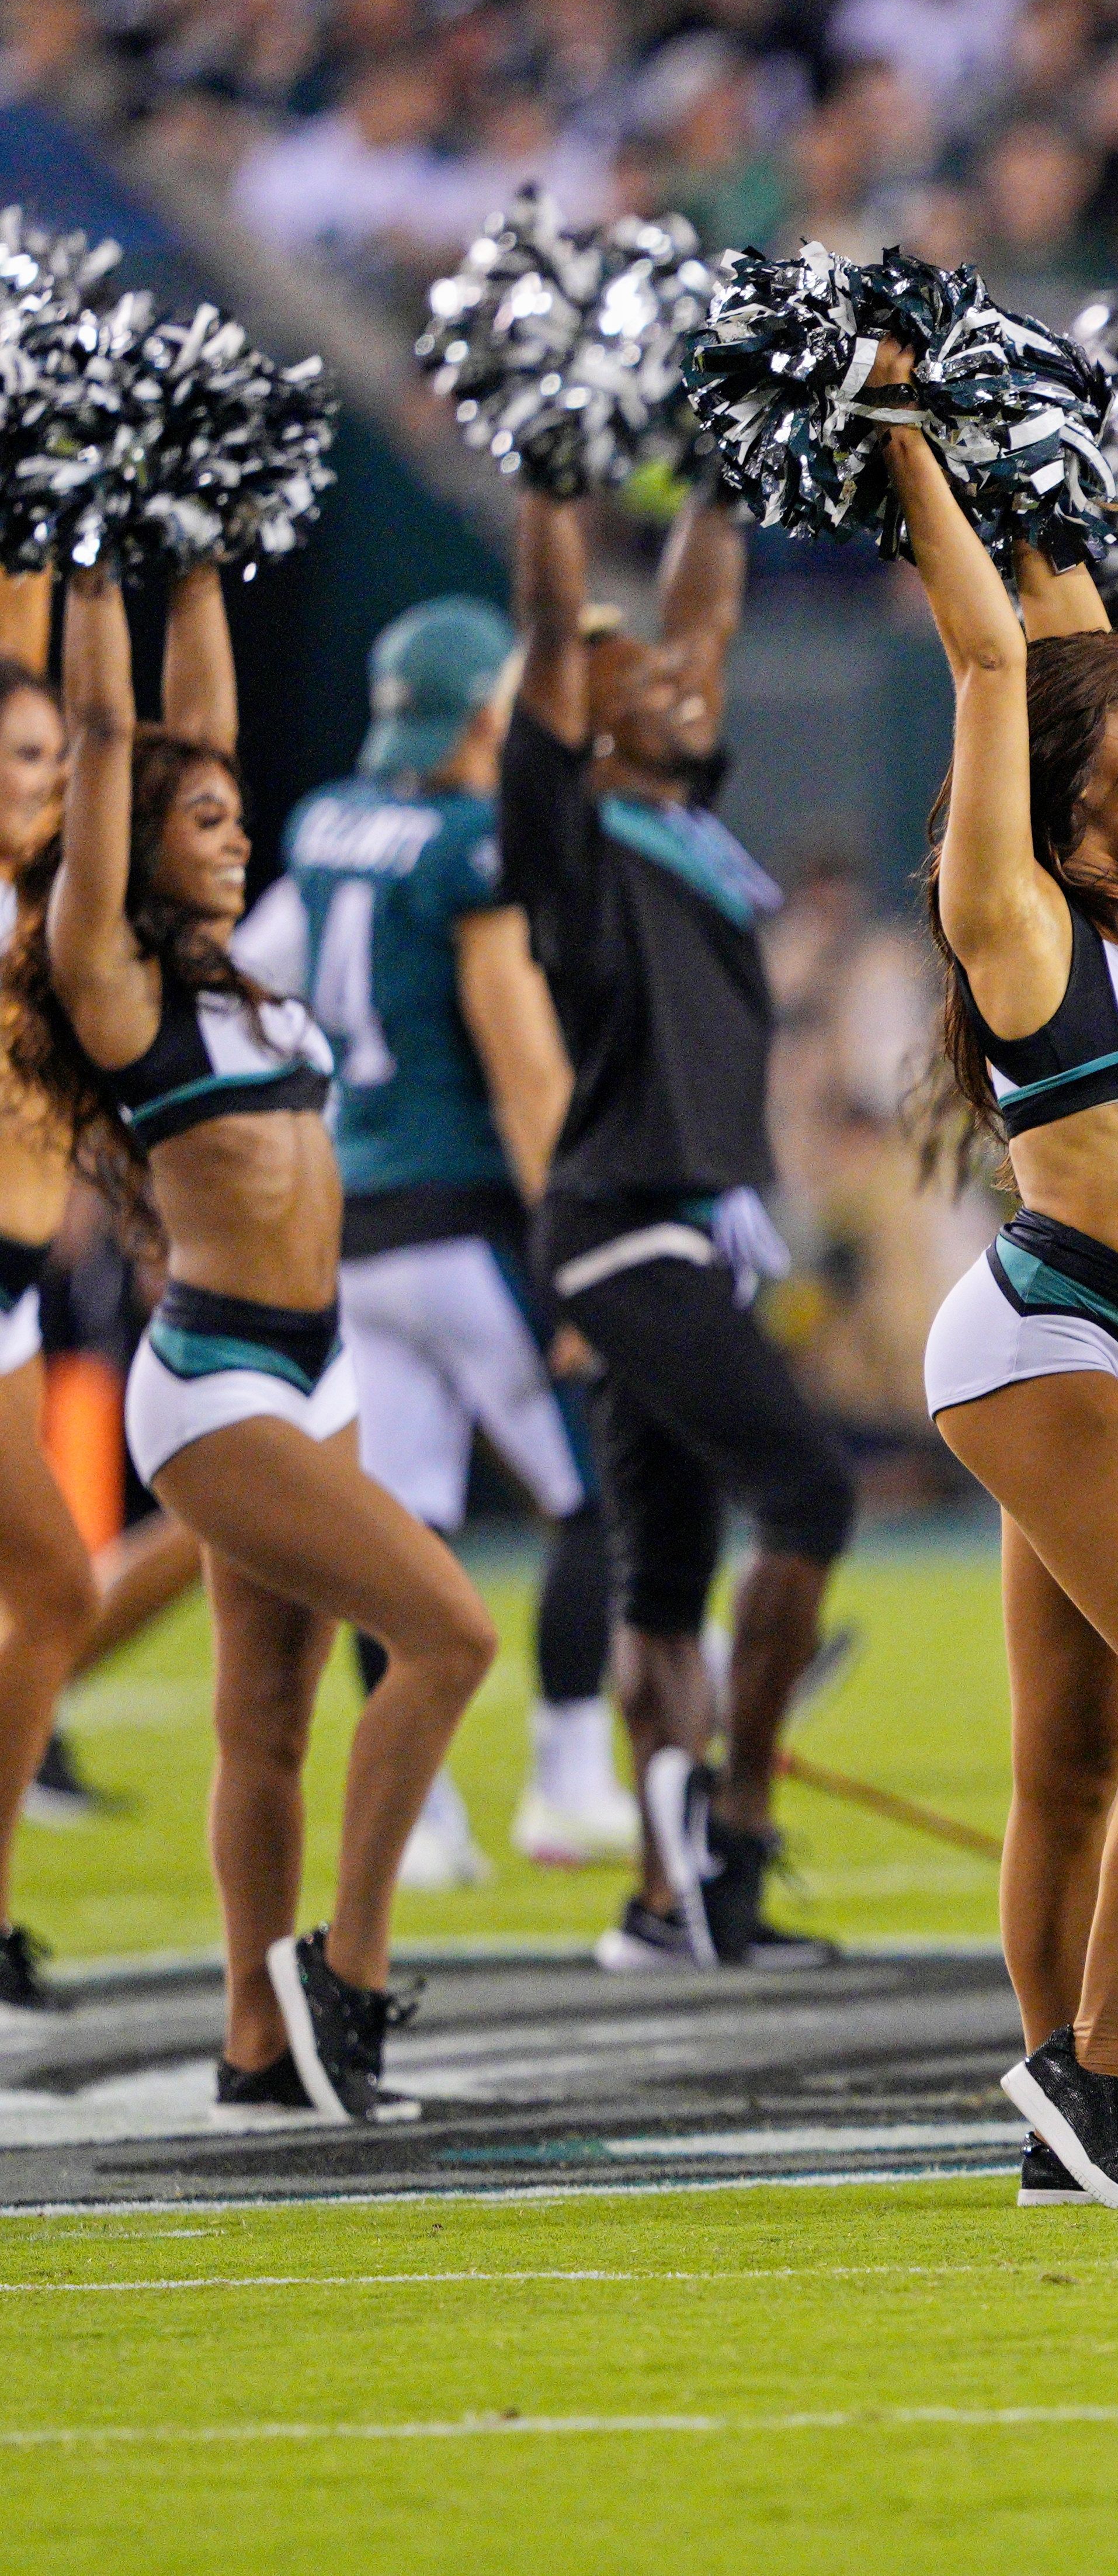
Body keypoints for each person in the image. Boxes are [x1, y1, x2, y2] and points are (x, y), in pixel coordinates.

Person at [5, 560, 499, 2120]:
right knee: (451, 1634)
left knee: (267, 1722)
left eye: (235, 815)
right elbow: (114, 732)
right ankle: (345, 1971)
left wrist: (206, 549)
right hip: (216, 1379)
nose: (235, 830)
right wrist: (101, 564)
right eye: (204, 819)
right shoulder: (115, 981)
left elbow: (195, 728)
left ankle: (255, 2043)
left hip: (318, 1362)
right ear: (135, 840)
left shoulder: (243, 976)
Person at [879, 349, 1118, 2207]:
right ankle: (1104, 2074)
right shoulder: (1015, 917)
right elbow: (996, 666)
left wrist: (1039, 491)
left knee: (1076, 1757)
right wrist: (900, 434)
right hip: (1049, 1339)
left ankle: (1061, 2101)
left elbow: (1063, 645)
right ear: (1071, 766)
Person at [508, 488, 858, 1971]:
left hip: (691, 1229)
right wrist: (549, 475)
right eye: (632, 676)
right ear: (581, 722)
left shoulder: (685, 824)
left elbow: (706, 620)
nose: (670, 674)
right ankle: (739, 1826)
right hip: (622, 1224)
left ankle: (666, 1902)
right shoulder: (572, 836)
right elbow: (549, 629)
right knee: (811, 1493)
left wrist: (734, 465)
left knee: (664, 1573)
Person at [252, 598, 631, 1888]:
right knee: (597, 1488)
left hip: (355, 1220)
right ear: (483, 715)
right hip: (462, 1212)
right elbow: (521, 1066)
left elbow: (263, 978)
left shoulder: (326, 823)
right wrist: (570, 1238)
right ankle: (570, 1780)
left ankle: (419, 1818)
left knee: (402, 1526)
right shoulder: (472, 843)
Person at [0, 581, 100, 2023]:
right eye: (22, 759)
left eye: (53, 760)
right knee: (61, 1587)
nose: (43, 780)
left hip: (17, 1296)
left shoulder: (47, 899)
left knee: (58, 1592)